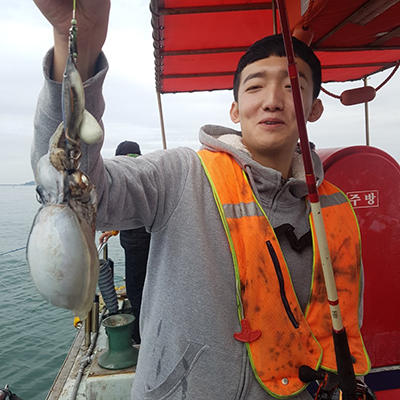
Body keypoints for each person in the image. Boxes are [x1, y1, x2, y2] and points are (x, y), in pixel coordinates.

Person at [31, 2, 370, 399]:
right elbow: (78, 184)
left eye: (291, 86)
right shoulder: (180, 175)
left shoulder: (332, 210)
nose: (272, 100)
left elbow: (338, 321)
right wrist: (77, 46)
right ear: (235, 109)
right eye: (255, 86)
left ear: (314, 108)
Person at [99, 140, 151, 344]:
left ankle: (139, 336)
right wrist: (114, 229)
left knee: (136, 290)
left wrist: (111, 226)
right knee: (151, 286)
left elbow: (124, 209)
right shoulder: (148, 174)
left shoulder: (124, 178)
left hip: (136, 245)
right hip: (154, 242)